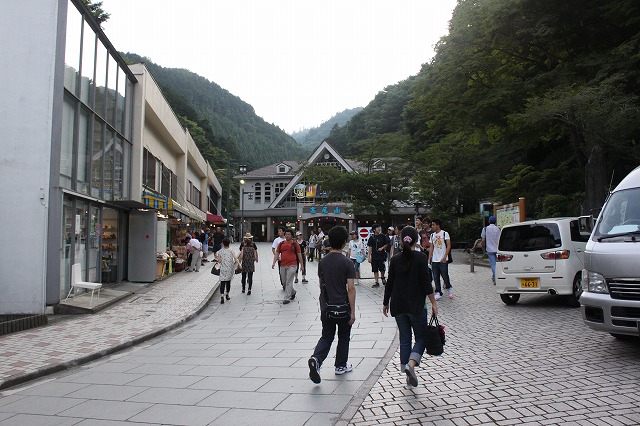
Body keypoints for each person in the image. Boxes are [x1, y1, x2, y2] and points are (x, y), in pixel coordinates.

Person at [382, 226, 437, 387]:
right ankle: (411, 366)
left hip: (398, 306)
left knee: (404, 339)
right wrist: (433, 302)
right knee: (421, 338)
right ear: (416, 240)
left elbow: (389, 284)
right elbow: (427, 284)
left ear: (401, 239)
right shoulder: (421, 258)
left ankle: (407, 374)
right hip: (417, 306)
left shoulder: (395, 259)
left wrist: (386, 303)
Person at [308, 226, 356, 383]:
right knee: (344, 336)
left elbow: (322, 284)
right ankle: (340, 366)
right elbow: (351, 288)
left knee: (327, 335)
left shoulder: (322, 262)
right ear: (343, 243)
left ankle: (316, 358)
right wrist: (353, 312)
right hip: (343, 306)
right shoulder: (347, 263)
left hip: (327, 306)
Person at [272, 229, 304, 304]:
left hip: (292, 265)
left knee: (289, 281)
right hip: (283, 265)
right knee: (284, 282)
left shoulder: (295, 244)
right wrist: (274, 262)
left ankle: (287, 297)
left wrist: (302, 266)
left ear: (292, 236)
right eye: (286, 234)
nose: (287, 235)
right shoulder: (281, 243)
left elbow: (299, 255)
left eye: (289, 234)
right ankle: (293, 292)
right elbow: (277, 253)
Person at [429, 219, 453, 300]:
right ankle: (438, 291)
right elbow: (431, 246)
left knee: (445, 275)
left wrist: (445, 257)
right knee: (436, 277)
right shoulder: (432, 235)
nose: (432, 226)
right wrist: (430, 257)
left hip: (443, 259)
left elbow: (449, 245)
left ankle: (449, 287)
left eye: (433, 225)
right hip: (435, 259)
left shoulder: (444, 233)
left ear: (438, 225)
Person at [215, 237, 241, 304]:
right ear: (229, 243)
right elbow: (235, 258)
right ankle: (227, 294)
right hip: (230, 268)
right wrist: (239, 265)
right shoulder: (231, 250)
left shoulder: (220, 251)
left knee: (222, 282)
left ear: (223, 243)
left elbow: (219, 261)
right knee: (228, 282)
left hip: (223, 268)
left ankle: (221, 296)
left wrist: (217, 257)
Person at [481, 215, 501, 283]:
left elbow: (483, 239)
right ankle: (494, 276)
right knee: (497, 264)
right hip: (498, 249)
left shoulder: (485, 229)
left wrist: (483, 246)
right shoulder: (498, 229)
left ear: (489, 221)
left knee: (493, 264)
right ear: (495, 222)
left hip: (489, 249)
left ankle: (496, 279)